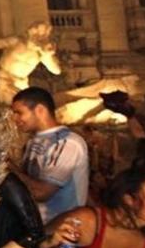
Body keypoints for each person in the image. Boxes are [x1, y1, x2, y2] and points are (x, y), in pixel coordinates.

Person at [11, 87, 89, 222]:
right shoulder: (32, 141)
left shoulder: (68, 143)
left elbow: (41, 193)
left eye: (19, 112)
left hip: (60, 231)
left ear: (40, 110)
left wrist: (7, 168)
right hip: (36, 227)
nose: (15, 119)